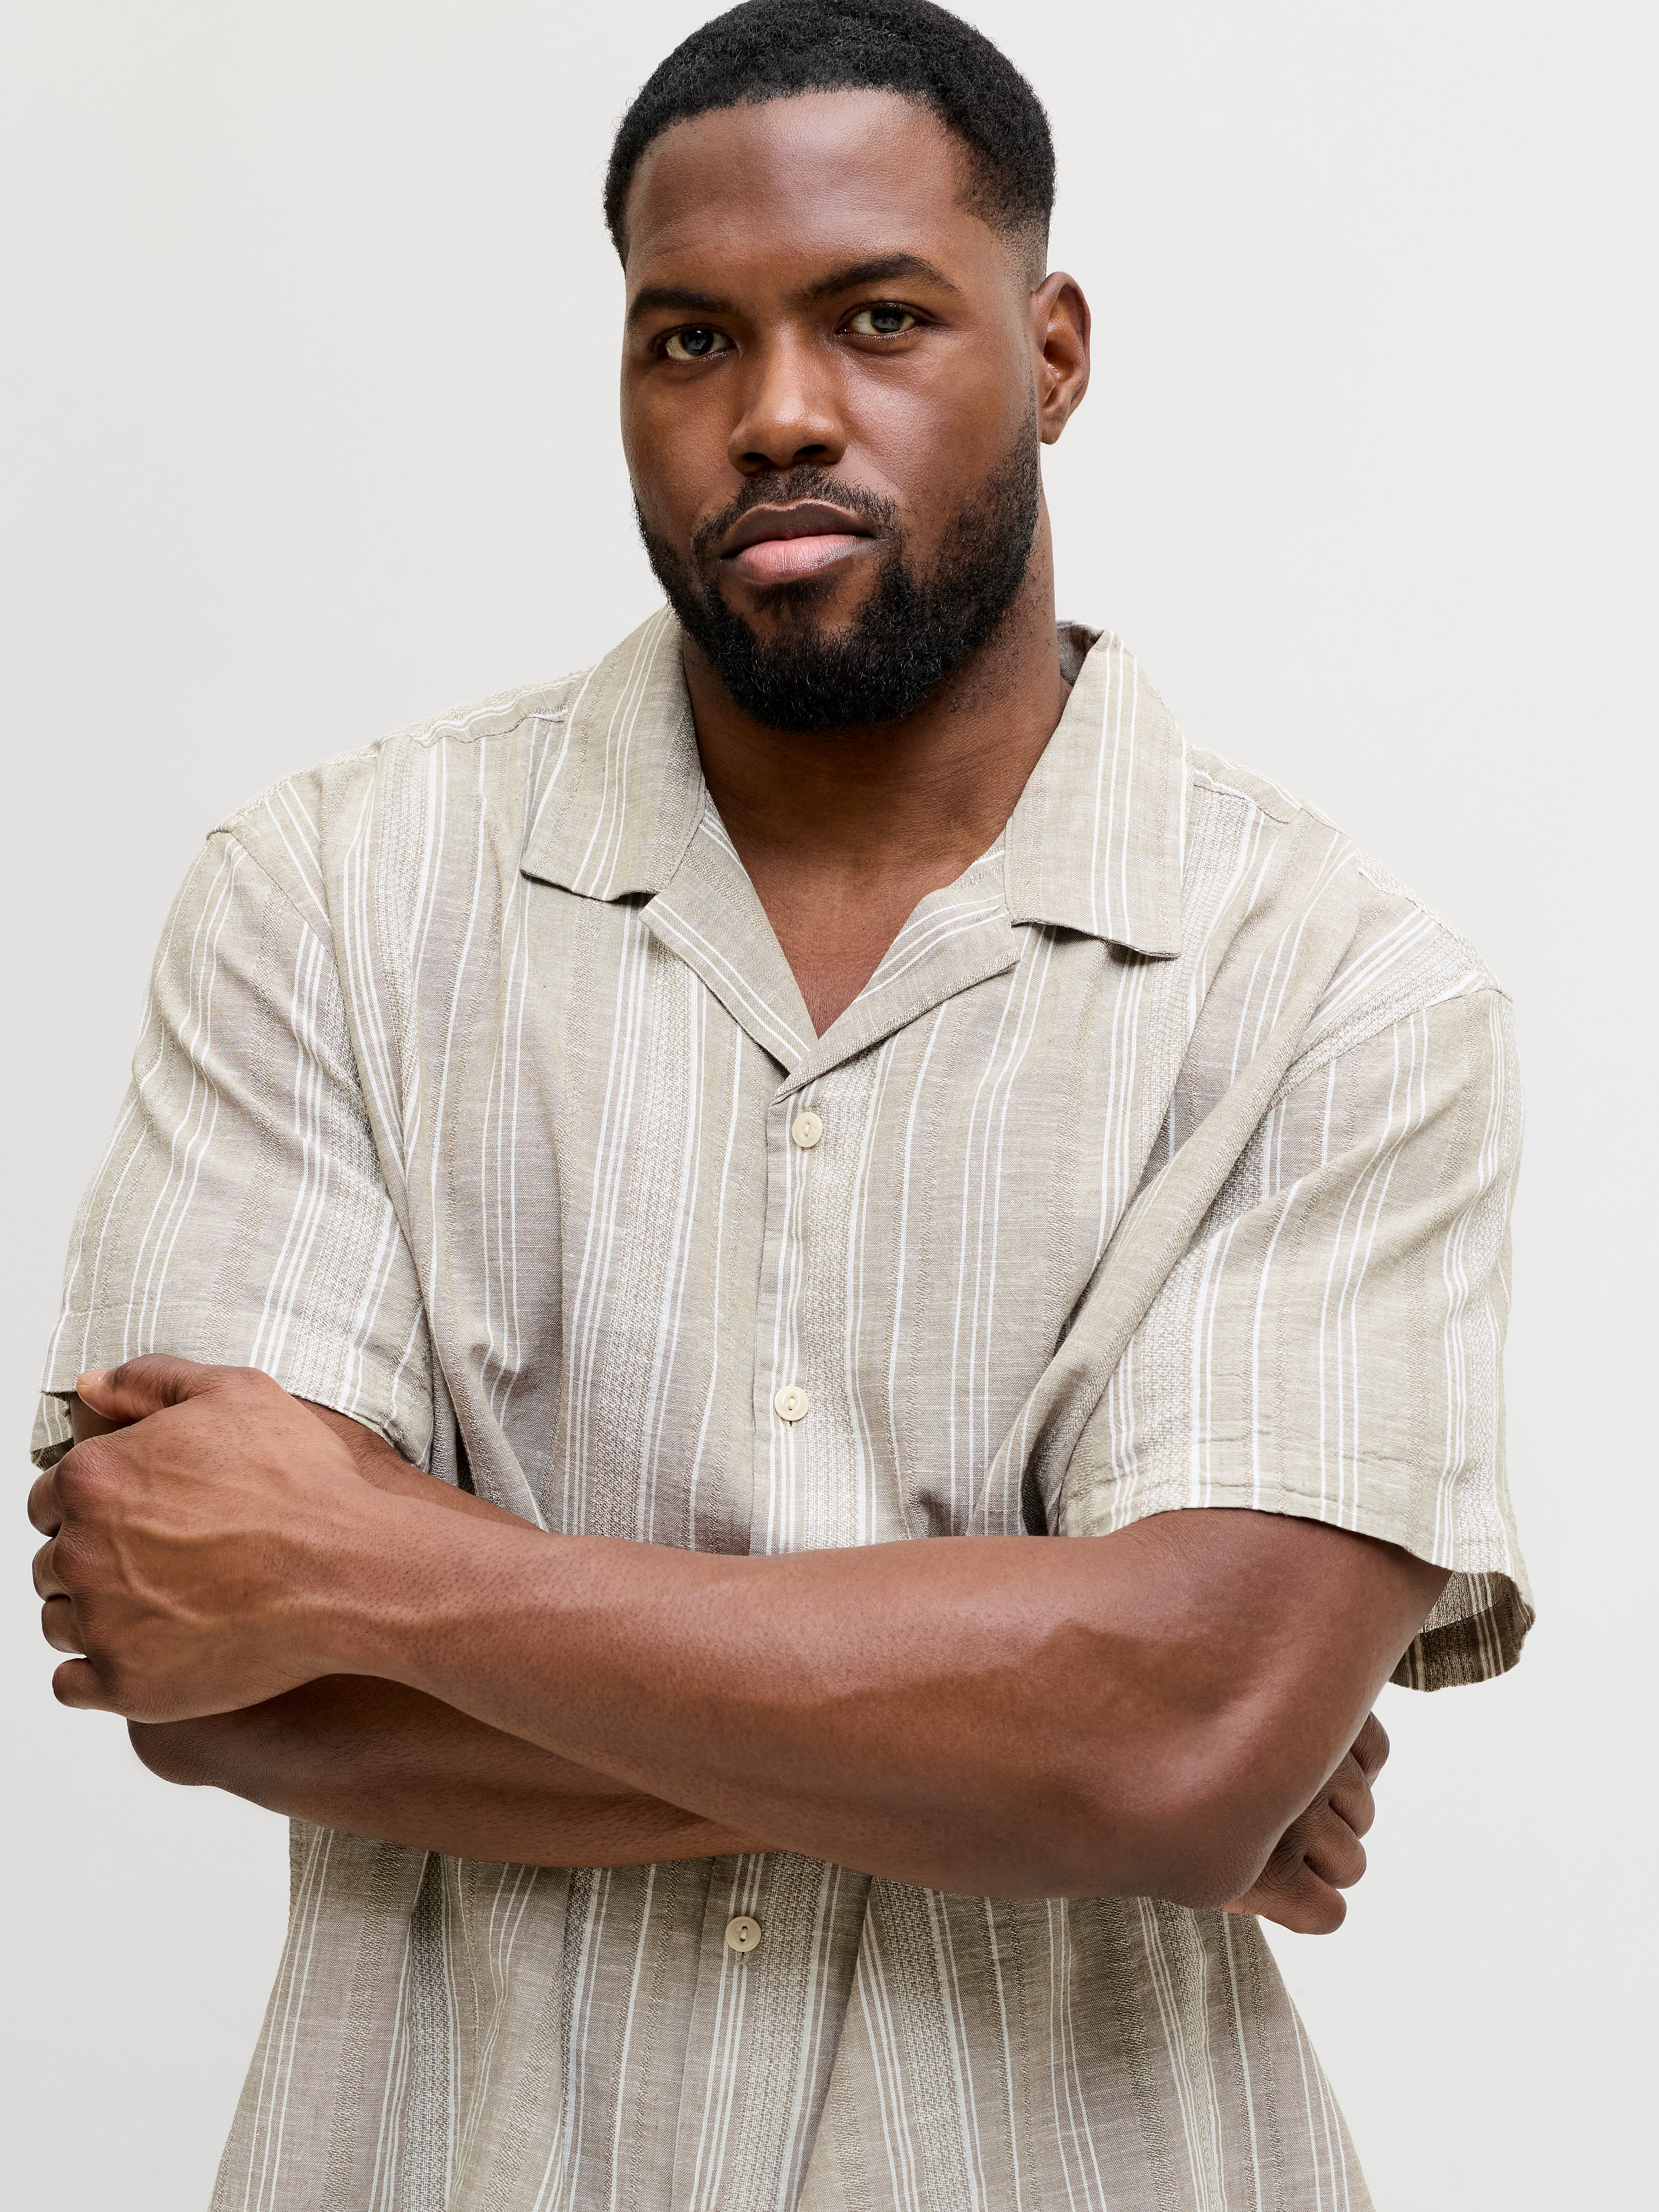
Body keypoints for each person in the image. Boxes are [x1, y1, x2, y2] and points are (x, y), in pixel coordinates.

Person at [28, 4, 1530, 2207]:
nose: (779, 412)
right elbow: (208, 1668)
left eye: (880, 318)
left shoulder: (1337, 991)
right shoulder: (329, 902)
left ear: (1055, 355)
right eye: (690, 342)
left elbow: (1184, 1743)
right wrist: (1050, 1758)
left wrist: (372, 1565)